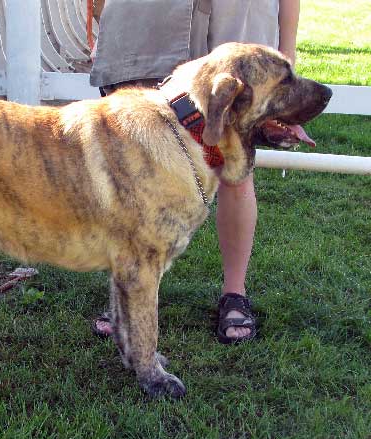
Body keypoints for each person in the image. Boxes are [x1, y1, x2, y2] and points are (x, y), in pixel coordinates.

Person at [89, 0, 311, 344]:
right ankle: (127, 295)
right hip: (146, 23)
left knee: (236, 170)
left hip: (236, 21)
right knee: (133, 170)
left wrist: (287, 48)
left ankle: (234, 293)